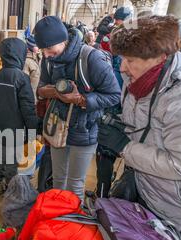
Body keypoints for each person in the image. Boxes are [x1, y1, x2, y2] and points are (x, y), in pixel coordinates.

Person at [98, 15, 181, 240]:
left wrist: (124, 147)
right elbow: (142, 125)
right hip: (145, 193)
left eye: (129, 59)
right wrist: (118, 125)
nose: (123, 67)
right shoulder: (138, 78)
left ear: (160, 57)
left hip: (177, 215)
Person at [35, 16, 121, 203]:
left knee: (74, 184)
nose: (46, 54)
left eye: (49, 49)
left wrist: (81, 100)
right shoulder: (48, 60)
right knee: (58, 180)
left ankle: (72, 227)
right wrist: (56, 92)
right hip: (58, 128)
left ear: (63, 40)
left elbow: (114, 95)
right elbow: (40, 88)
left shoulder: (91, 58)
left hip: (85, 130)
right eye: (42, 50)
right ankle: (57, 222)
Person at [0, 38, 38, 197]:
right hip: (17, 126)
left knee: (2, 155)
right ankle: (11, 190)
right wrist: (33, 130)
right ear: (21, 55)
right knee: (12, 160)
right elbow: (28, 108)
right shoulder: (21, 77)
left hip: (1, 123)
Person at [95, 7, 132, 198]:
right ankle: (102, 194)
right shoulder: (120, 63)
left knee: (106, 157)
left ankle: (103, 196)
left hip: (115, 115)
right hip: (115, 115)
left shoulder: (120, 66)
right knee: (105, 158)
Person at [23, 35, 41, 104]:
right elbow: (24, 84)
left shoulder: (38, 57)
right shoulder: (27, 62)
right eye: (37, 46)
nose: (39, 48)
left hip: (37, 98)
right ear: (31, 47)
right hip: (30, 99)